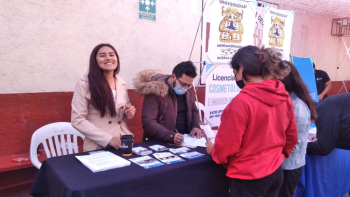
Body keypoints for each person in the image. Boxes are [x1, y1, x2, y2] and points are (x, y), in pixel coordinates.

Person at [206, 46, 298, 197]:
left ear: (241, 69)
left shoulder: (241, 103)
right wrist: (276, 157)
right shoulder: (285, 98)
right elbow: (292, 137)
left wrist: (214, 151)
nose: (235, 77)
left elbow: (227, 146)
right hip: (275, 172)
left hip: (248, 177)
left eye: (234, 72)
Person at [71, 43, 136, 152]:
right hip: (98, 144)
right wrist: (108, 139)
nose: (108, 58)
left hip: (122, 141)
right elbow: (77, 119)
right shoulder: (85, 83)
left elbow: (123, 109)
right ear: (95, 60)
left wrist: (128, 112)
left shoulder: (121, 82)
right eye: (102, 55)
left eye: (112, 55)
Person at [133, 61, 202, 145]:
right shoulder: (156, 90)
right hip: (159, 143)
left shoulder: (187, 90)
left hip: (185, 141)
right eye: (183, 84)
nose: (186, 89)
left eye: (189, 85)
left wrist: (196, 126)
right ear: (173, 76)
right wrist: (170, 136)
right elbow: (148, 122)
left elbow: (194, 110)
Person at [278, 61, 317, 197]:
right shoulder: (285, 100)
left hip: (289, 165)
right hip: (281, 163)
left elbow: (293, 143)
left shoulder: (297, 106)